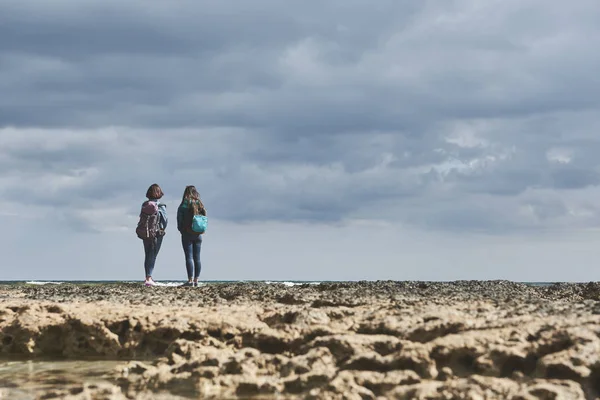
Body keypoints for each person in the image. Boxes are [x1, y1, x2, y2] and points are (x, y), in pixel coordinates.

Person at [177, 185, 206, 287]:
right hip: (198, 234)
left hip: (187, 234)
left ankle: (189, 280)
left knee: (188, 257)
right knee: (197, 258)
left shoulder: (183, 205)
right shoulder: (200, 204)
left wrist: (182, 230)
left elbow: (179, 221)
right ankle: (196, 280)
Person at [141, 184, 168, 286]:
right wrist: (162, 229)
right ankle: (149, 278)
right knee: (153, 255)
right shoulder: (160, 206)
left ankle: (147, 277)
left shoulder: (144, 204)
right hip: (156, 233)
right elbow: (165, 221)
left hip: (146, 232)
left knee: (147, 254)